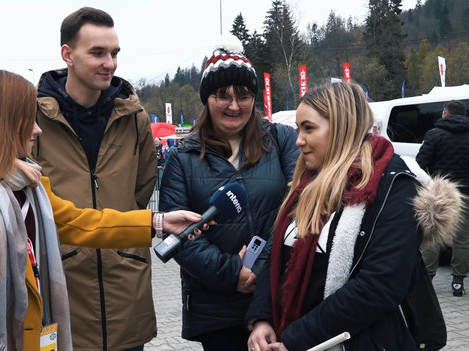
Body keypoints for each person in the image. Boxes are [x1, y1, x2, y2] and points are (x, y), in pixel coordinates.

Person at [0, 68, 207, 351]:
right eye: (26, 119)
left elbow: (80, 222)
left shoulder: (27, 185)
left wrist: (158, 222)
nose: (37, 130)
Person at [245, 82, 461, 351]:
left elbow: (379, 286)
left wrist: (296, 338)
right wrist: (262, 319)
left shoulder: (395, 187)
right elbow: (278, 260)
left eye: (309, 128)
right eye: (298, 129)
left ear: (341, 127)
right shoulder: (304, 184)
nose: (299, 140)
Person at [158, 47, 300, 351]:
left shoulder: (281, 140)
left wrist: (260, 268)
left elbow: (298, 208)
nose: (234, 105)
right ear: (207, 99)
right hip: (217, 310)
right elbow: (181, 236)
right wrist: (232, 272)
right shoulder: (181, 158)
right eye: (223, 94)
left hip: (279, 297)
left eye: (244, 95)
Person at [33, 7, 158, 351]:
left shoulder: (134, 117)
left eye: (114, 53)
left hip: (125, 291)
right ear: (67, 55)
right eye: (98, 53)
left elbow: (142, 189)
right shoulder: (33, 119)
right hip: (62, 293)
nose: (110, 63)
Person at [416, 99, 469, 296]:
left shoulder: (434, 135)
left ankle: (427, 280)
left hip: (439, 194)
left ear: (445, 113)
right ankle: (458, 283)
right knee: (463, 240)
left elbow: (420, 164)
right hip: (465, 195)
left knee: (433, 236)